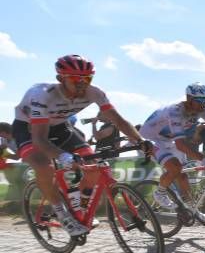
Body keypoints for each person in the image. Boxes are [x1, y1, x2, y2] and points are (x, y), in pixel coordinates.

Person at [12, 55, 150, 237]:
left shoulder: (95, 93)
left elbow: (118, 120)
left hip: (60, 127)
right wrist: (64, 157)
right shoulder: (42, 95)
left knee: (92, 165)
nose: (82, 84)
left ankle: (80, 209)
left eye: (87, 79)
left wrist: (141, 141)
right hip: (29, 129)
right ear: (61, 78)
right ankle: (62, 214)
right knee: (43, 166)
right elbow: (40, 140)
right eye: (76, 79)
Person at [139, 82, 205, 223]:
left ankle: (193, 210)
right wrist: (204, 159)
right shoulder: (175, 111)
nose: (202, 104)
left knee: (183, 177)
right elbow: (180, 144)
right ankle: (159, 193)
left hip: (168, 140)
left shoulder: (203, 110)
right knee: (175, 167)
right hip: (150, 138)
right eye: (199, 100)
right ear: (189, 98)